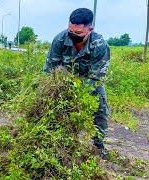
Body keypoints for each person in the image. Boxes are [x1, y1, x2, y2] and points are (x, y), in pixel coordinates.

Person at [43, 8, 110, 159]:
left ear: (90, 29)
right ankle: (57, 141)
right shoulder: (60, 39)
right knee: (53, 107)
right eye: (71, 31)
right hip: (65, 79)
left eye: (78, 33)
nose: (73, 36)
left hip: (90, 80)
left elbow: (96, 78)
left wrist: (77, 93)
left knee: (100, 109)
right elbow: (49, 70)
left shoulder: (99, 45)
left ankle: (98, 146)